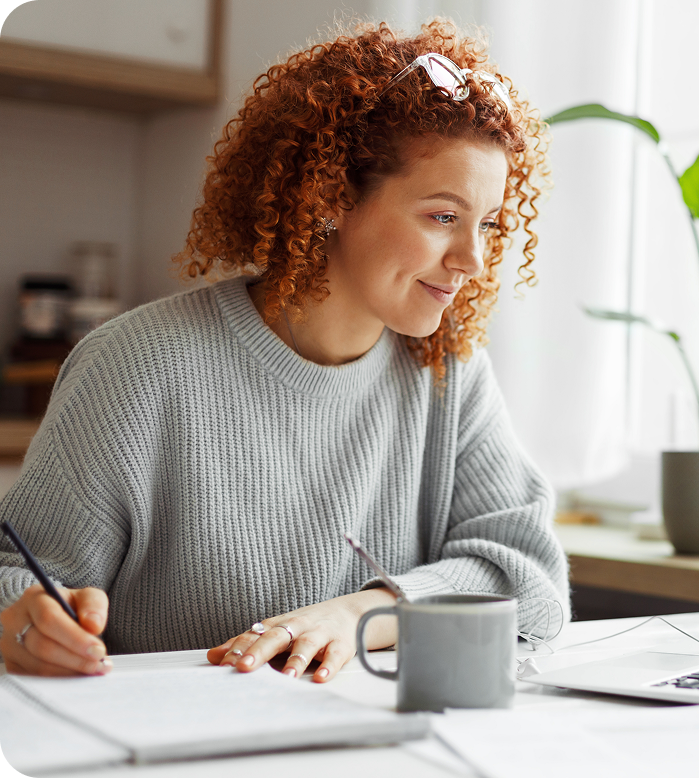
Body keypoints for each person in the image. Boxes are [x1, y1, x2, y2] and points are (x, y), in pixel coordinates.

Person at [0, 18, 569, 681]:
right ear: (331, 197)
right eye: (443, 216)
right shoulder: (136, 367)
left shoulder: (448, 372)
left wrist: (365, 615)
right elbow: (15, 576)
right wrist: (29, 619)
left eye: (489, 224)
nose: (474, 259)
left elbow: (528, 578)